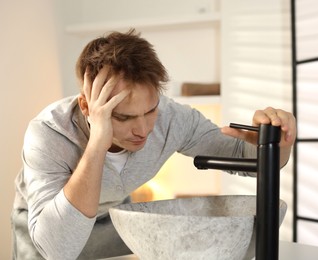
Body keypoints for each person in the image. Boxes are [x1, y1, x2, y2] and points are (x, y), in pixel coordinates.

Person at [11, 29, 296, 260]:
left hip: (111, 222)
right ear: (87, 106)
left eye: (150, 111)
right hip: (48, 233)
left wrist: (277, 141)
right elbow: (58, 249)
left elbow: (248, 160)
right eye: (123, 117)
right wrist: (99, 140)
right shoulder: (47, 134)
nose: (143, 129)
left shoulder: (171, 118)